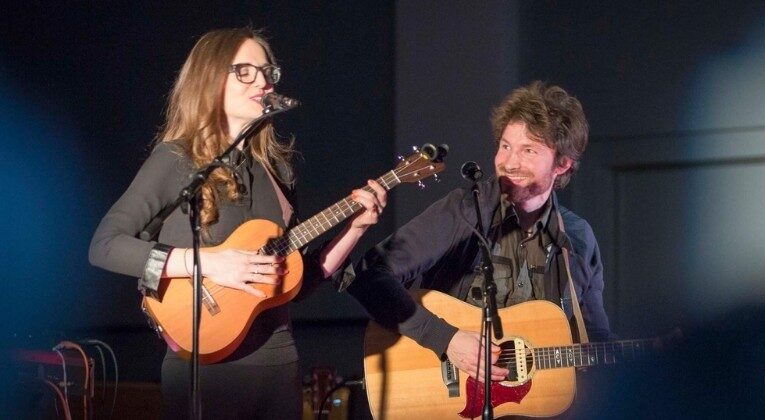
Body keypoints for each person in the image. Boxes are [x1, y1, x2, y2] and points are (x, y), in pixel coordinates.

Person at [88, 28, 387, 419]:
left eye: (267, 72)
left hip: (279, 367)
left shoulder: (277, 171)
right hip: (202, 371)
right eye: (245, 71)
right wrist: (211, 263)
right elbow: (105, 245)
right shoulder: (176, 161)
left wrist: (355, 230)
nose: (263, 82)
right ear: (210, 79)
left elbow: (295, 282)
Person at [342, 81, 612, 381]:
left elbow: (594, 338)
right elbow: (368, 276)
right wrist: (447, 339)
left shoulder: (576, 238)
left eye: (528, 150)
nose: (508, 162)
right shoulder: (465, 209)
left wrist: (651, 356)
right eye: (505, 146)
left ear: (561, 164)